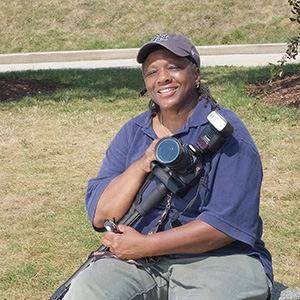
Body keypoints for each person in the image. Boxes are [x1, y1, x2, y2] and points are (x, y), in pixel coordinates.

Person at [64, 33, 273, 300]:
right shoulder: (133, 132)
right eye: (152, 71)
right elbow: (102, 216)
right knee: (87, 291)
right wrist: (142, 164)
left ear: (196, 74)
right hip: (138, 263)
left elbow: (224, 226)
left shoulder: (227, 135)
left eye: (174, 66)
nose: (162, 77)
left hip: (219, 261)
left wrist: (145, 245)